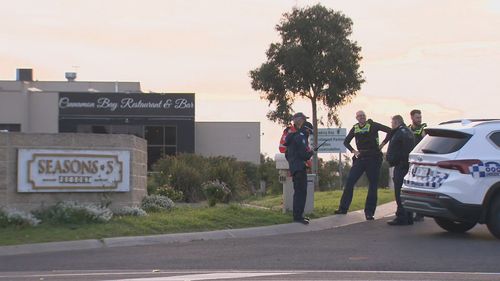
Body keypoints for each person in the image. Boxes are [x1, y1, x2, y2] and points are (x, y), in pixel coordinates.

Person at [335, 111, 392, 220]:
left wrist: (382, 144)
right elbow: (346, 142)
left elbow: (389, 131)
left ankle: (369, 212)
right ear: (356, 118)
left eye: (363, 116)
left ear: (365, 117)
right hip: (361, 158)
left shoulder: (373, 125)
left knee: (373, 185)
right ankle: (343, 208)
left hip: (374, 158)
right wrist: (353, 151)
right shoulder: (355, 128)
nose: (361, 117)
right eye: (359, 116)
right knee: (350, 181)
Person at [284, 112, 314, 224]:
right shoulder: (301, 137)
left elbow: (287, 154)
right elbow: (304, 155)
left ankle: (298, 215)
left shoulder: (292, 137)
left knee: (298, 192)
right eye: (309, 131)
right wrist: (311, 153)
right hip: (300, 168)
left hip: (294, 168)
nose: (309, 133)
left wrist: (293, 163)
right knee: (301, 193)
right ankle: (298, 217)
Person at [386, 115, 415, 225]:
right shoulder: (406, 131)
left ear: (396, 122)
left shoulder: (401, 133)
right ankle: (408, 216)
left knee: (399, 192)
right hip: (404, 165)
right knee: (405, 192)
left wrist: (395, 159)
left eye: (392, 123)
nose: (391, 125)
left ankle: (402, 216)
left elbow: (405, 150)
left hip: (401, 166)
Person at [409, 109, 427, 222]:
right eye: (417, 118)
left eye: (420, 117)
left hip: (420, 161)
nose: (419, 119)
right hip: (410, 160)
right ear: (412, 118)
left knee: (419, 187)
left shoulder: (423, 128)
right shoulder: (408, 128)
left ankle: (420, 213)